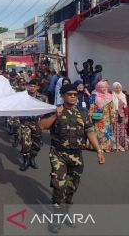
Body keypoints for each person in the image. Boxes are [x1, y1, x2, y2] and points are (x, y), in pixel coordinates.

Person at [39, 84, 104, 233]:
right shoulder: (55, 109)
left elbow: (90, 131)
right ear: (62, 95)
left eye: (75, 94)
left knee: (72, 187)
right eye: (69, 94)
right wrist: (56, 115)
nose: (73, 96)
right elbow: (42, 126)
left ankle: (65, 213)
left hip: (76, 155)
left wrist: (99, 150)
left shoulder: (83, 111)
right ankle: (56, 218)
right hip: (59, 154)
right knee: (59, 186)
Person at [19, 79, 48, 171]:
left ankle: (32, 158)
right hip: (25, 122)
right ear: (28, 86)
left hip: (37, 123)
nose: (32, 88)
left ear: (37, 87)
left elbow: (46, 109)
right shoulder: (22, 96)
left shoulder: (43, 98)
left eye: (34, 86)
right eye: (30, 86)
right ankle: (25, 160)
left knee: (37, 144)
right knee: (25, 142)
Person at [87, 81, 115, 152]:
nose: (104, 88)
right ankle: (97, 147)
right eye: (102, 87)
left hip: (106, 117)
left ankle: (106, 147)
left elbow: (112, 107)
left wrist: (112, 117)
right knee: (97, 132)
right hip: (96, 117)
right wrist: (90, 114)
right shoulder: (94, 95)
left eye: (105, 87)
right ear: (98, 87)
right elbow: (91, 106)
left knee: (106, 132)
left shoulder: (109, 96)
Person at [112, 82, 128, 151]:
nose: (117, 89)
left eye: (119, 87)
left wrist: (127, 117)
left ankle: (123, 145)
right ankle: (116, 146)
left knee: (123, 131)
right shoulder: (112, 96)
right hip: (114, 115)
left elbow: (126, 107)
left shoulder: (123, 96)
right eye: (116, 88)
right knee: (115, 131)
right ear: (113, 88)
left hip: (122, 115)